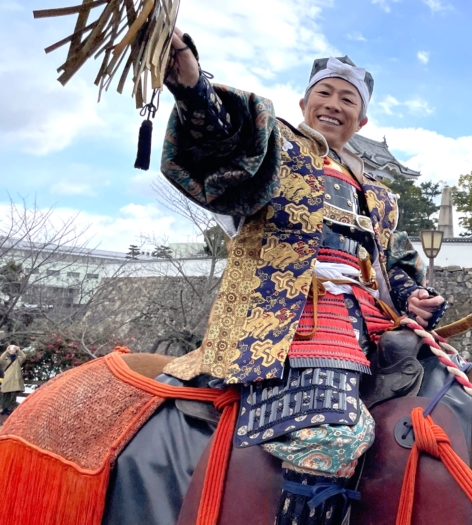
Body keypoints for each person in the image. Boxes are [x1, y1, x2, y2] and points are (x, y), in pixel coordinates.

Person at [159, 28, 447, 525]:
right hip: (295, 318)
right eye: (325, 93)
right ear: (304, 103)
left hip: (371, 320)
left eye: (347, 99)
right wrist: (192, 86)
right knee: (332, 438)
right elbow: (226, 137)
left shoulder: (378, 195)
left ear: (362, 119)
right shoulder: (276, 150)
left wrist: (414, 296)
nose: (334, 105)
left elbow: (392, 263)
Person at [0, 345, 26, 415]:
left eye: (13, 350)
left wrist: (19, 350)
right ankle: (4, 409)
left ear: (15, 351)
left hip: (15, 380)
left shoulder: (18, 360)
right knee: (5, 395)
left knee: (13, 396)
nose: (12, 351)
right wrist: (6, 351)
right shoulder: (6, 360)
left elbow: (23, 357)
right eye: (11, 350)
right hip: (7, 380)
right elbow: (1, 359)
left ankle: (10, 409)